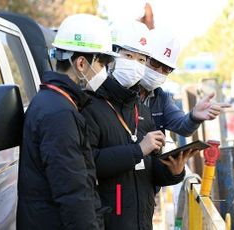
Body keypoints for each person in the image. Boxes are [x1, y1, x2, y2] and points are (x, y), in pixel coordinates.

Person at [81, 20, 197, 230]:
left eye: (141, 58)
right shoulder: (89, 105)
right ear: (110, 58)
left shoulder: (140, 109)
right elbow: (87, 164)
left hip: (142, 221)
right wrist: (138, 150)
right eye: (128, 56)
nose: (135, 63)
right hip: (108, 220)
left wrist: (174, 171)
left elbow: (148, 170)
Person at [17, 14, 118, 230]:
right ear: (81, 63)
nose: (104, 72)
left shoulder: (55, 102)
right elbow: (73, 193)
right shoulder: (59, 113)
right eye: (101, 63)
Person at [139, 28, 230, 136]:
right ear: (141, 58)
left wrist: (194, 117)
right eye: (155, 63)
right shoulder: (121, 92)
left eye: (166, 68)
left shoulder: (162, 98)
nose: (159, 71)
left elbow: (182, 125)